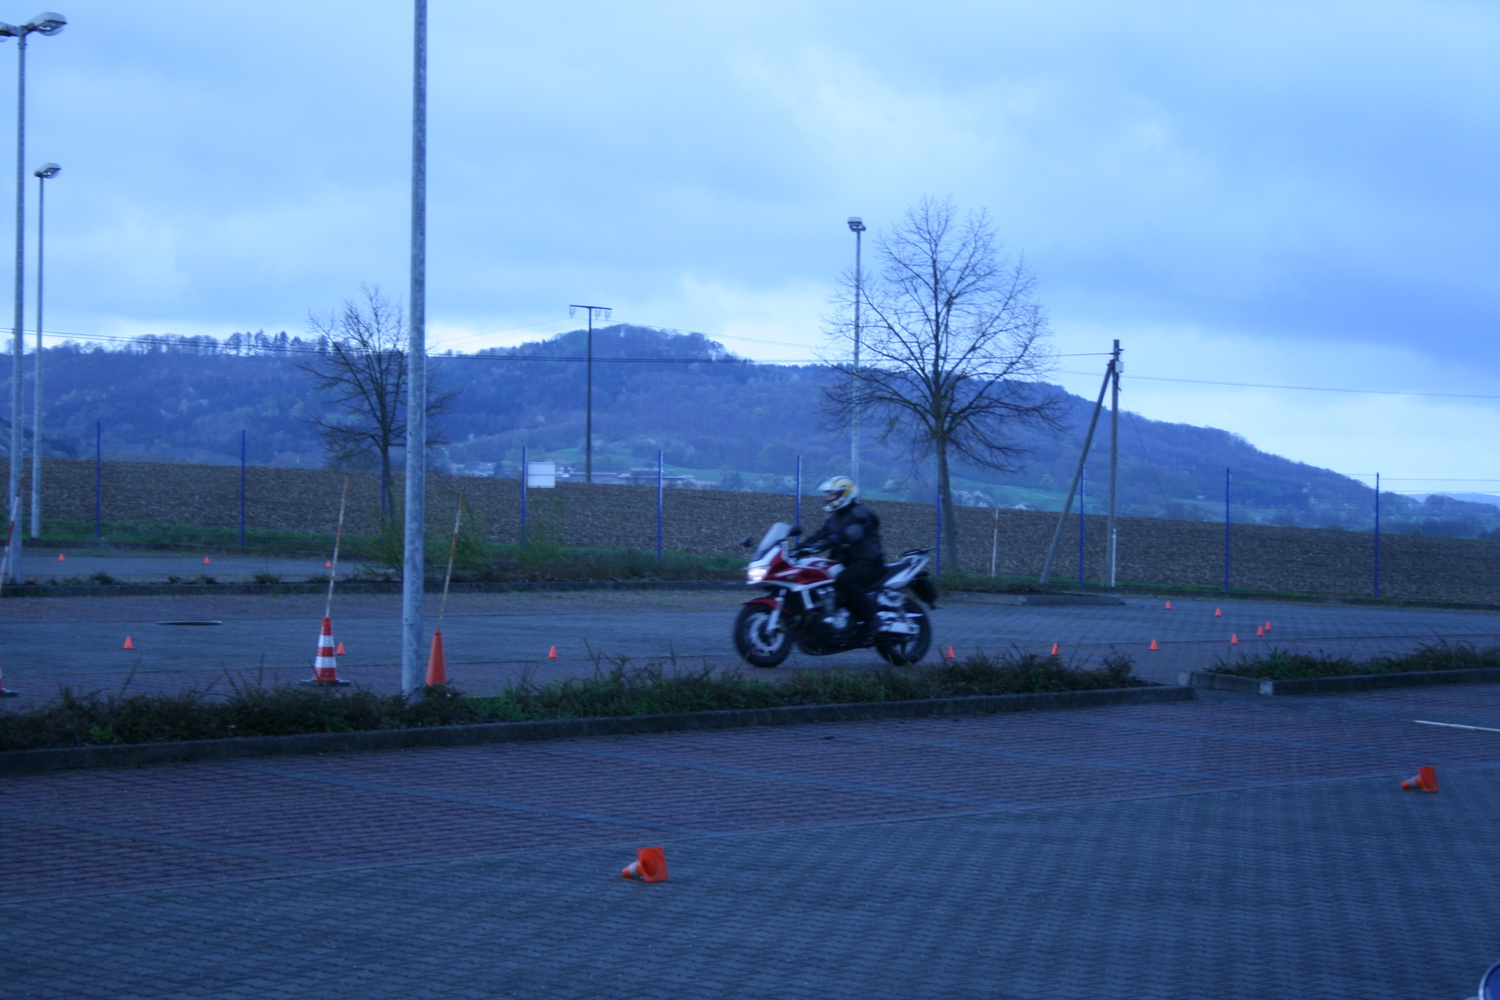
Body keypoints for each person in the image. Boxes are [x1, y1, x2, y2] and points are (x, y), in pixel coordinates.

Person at [799, 476, 885, 642]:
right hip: (848, 562)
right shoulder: (835, 517)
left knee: (846, 579)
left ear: (844, 495)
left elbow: (851, 533)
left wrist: (829, 541)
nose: (828, 498)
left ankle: (872, 621)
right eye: (828, 495)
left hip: (869, 562)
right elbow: (820, 535)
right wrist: (799, 549)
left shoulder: (861, 513)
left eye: (832, 495)